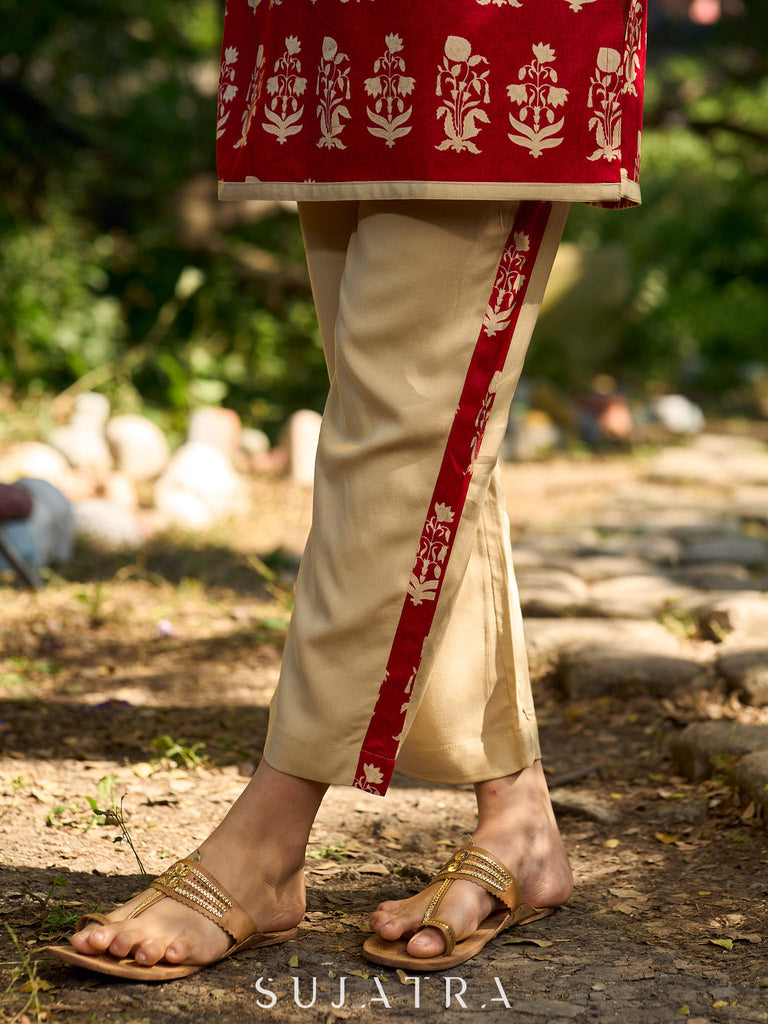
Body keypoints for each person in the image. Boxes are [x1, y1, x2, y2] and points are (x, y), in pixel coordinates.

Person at [49, 0, 647, 979]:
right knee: (425, 422)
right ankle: (519, 818)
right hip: (346, 23)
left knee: (399, 427)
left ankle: (267, 840)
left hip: (489, 29)